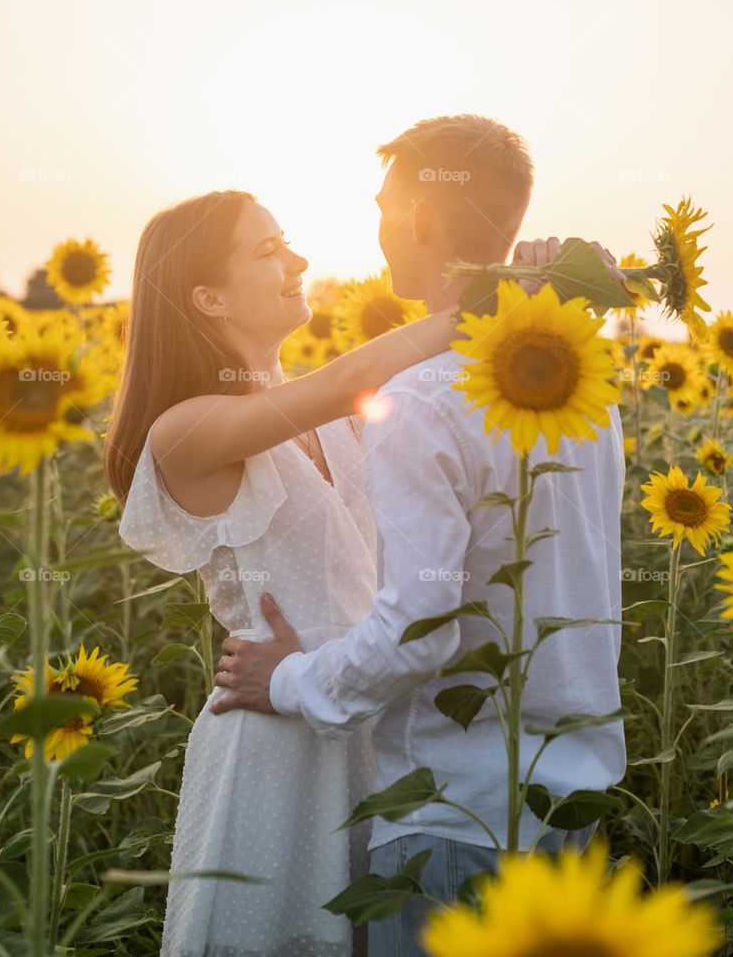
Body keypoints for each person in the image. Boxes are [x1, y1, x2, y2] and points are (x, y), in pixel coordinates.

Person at [210, 115, 627, 957]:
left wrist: (287, 680)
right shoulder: (591, 392)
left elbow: (418, 633)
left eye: (383, 204)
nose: (376, 225)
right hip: (571, 815)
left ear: (423, 220)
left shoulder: (422, 400)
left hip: (453, 826)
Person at [106, 187, 460, 957]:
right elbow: (342, 380)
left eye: (288, 241)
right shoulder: (186, 428)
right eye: (266, 251)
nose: (296, 261)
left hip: (360, 713)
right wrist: (487, 307)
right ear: (205, 296)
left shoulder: (333, 425)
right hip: (273, 749)